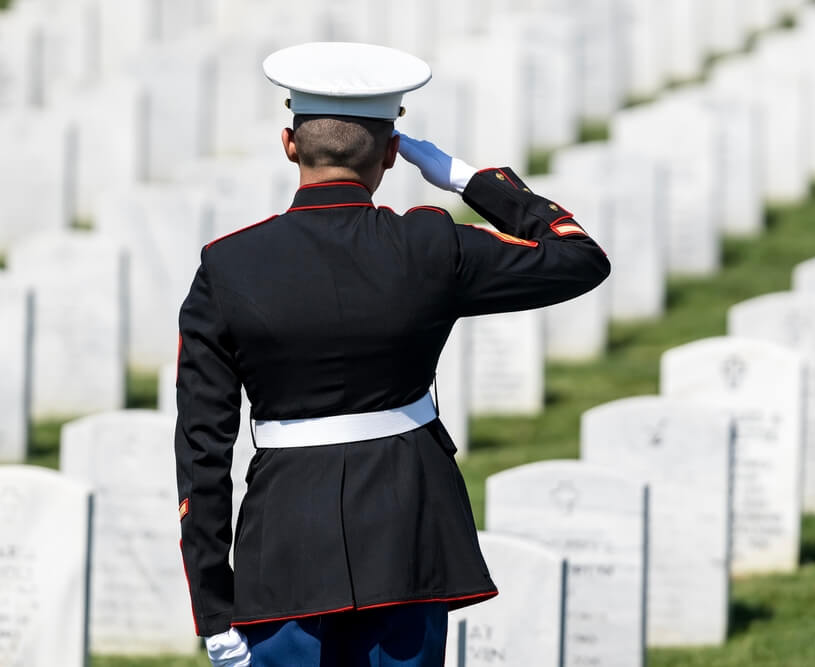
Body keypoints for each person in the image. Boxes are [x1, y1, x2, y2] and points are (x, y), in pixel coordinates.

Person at [174, 42, 610, 667]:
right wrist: (466, 177)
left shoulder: (228, 265)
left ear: (290, 144)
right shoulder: (430, 246)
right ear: (390, 153)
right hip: (407, 532)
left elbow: (201, 447)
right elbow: (580, 257)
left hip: (285, 542)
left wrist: (213, 610)